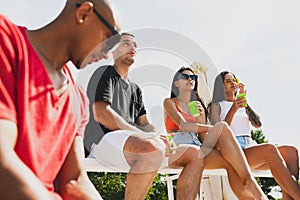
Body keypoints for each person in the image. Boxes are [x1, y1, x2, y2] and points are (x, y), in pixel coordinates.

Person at [0, 0, 120, 199]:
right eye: (109, 39)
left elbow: (74, 180)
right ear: (83, 13)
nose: (107, 54)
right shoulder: (7, 42)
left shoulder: (78, 99)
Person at [84, 33, 208, 200]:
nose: (132, 47)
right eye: (126, 43)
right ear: (114, 52)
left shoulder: (135, 89)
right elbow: (102, 115)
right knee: (152, 148)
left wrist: (160, 136)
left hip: (136, 145)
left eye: (134, 45)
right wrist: (144, 136)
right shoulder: (105, 73)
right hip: (102, 142)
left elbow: (144, 123)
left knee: (195, 154)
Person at [163, 67, 269, 199]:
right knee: (222, 126)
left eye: (193, 77)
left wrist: (201, 119)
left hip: (197, 145)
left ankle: (252, 191)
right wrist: (211, 128)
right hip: (180, 142)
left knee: (230, 163)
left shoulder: (197, 104)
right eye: (185, 77)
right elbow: (183, 125)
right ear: (176, 83)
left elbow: (202, 138)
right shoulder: (169, 102)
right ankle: (253, 187)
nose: (190, 79)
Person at [210, 70, 300, 199]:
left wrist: (244, 104)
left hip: (250, 146)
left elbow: (257, 124)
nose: (232, 83)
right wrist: (233, 109)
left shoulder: (242, 103)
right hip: (235, 151)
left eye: (234, 80)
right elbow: (219, 131)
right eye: (228, 81)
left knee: (291, 151)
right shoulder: (216, 105)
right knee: (269, 149)